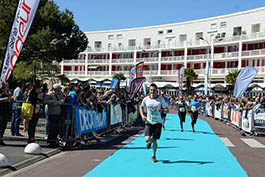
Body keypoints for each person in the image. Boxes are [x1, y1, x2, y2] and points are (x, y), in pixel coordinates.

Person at [139, 83, 168, 163]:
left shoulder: (160, 99)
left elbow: (167, 109)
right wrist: (142, 115)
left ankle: (154, 156)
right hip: (149, 121)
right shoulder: (146, 99)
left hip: (158, 122)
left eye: (154, 90)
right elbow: (141, 106)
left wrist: (161, 110)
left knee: (155, 140)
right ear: (149, 90)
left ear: (156, 91)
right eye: (151, 90)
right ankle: (149, 141)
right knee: (146, 139)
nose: (152, 91)